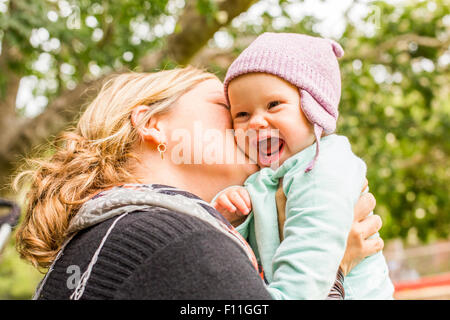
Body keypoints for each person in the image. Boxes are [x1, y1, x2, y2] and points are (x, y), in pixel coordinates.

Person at [14, 66, 383, 300]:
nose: (249, 125)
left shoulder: (94, 244)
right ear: (153, 124)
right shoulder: (180, 241)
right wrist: (335, 269)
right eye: (230, 109)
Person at [213, 33, 394, 299]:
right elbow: (255, 253)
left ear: (314, 107)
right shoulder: (268, 178)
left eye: (273, 105)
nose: (256, 122)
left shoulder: (324, 167)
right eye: (242, 114)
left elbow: (313, 250)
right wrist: (237, 216)